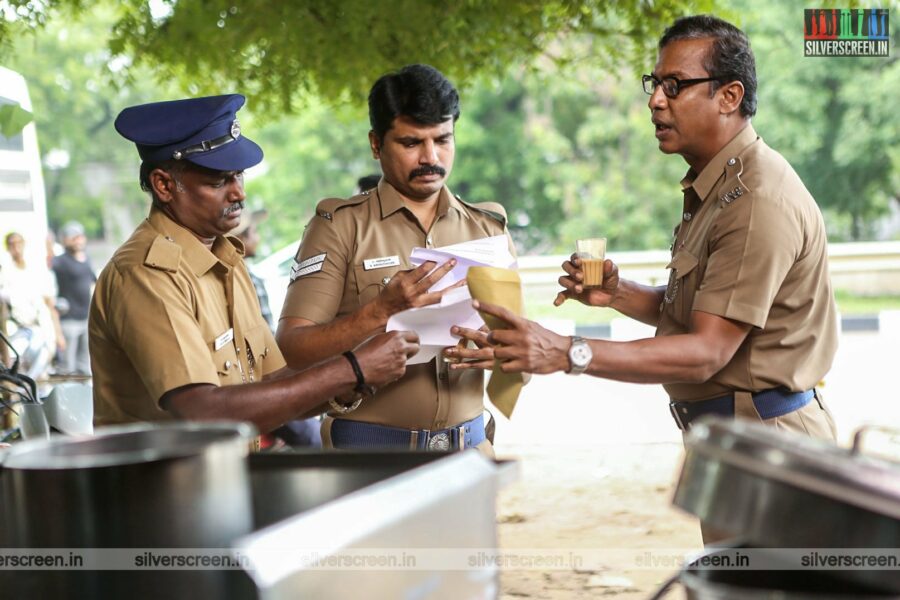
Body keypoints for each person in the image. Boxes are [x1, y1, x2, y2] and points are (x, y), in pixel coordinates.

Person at [450, 15, 839, 442]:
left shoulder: (755, 199)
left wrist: (564, 351)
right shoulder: (717, 184)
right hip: (733, 435)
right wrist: (618, 293)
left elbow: (706, 351)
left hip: (770, 440)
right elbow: (706, 311)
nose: (655, 100)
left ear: (729, 96)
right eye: (653, 84)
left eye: (674, 85)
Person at [90, 94, 419, 433]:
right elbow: (202, 412)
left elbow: (272, 381)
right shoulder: (147, 273)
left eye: (239, 176)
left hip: (224, 476)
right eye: (219, 181)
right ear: (164, 185)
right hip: (165, 484)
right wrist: (352, 369)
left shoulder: (225, 258)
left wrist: (363, 371)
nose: (239, 193)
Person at [276, 64, 516, 453]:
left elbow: (519, 344)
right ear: (376, 144)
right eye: (411, 143)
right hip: (369, 459)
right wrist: (380, 311)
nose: (430, 157)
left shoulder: (489, 228)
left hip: (470, 453)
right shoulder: (339, 227)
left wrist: (502, 352)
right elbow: (294, 348)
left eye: (442, 140)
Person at [1, 231, 65, 376]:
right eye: (12, 245)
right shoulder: (5, 272)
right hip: (18, 329)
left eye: (19, 243)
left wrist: (58, 332)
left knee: (43, 361)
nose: (16, 248)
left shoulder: (36, 269)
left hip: (41, 326)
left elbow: (49, 303)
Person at [52, 220, 96, 375]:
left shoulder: (87, 259)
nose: (78, 240)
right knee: (67, 367)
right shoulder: (60, 261)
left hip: (86, 318)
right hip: (68, 320)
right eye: (73, 237)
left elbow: (93, 282)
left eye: (80, 237)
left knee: (86, 366)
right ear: (65, 239)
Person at [232, 208, 274, 331]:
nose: (258, 238)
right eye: (254, 232)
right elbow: (267, 332)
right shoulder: (248, 280)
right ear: (241, 239)